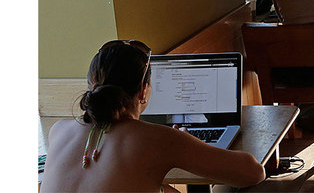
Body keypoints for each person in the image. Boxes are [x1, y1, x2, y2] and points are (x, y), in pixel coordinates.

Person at [40, 40, 265, 193]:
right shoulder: (160, 139)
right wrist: (188, 143)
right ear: (143, 91)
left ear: (91, 86)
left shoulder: (59, 129)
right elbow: (253, 173)